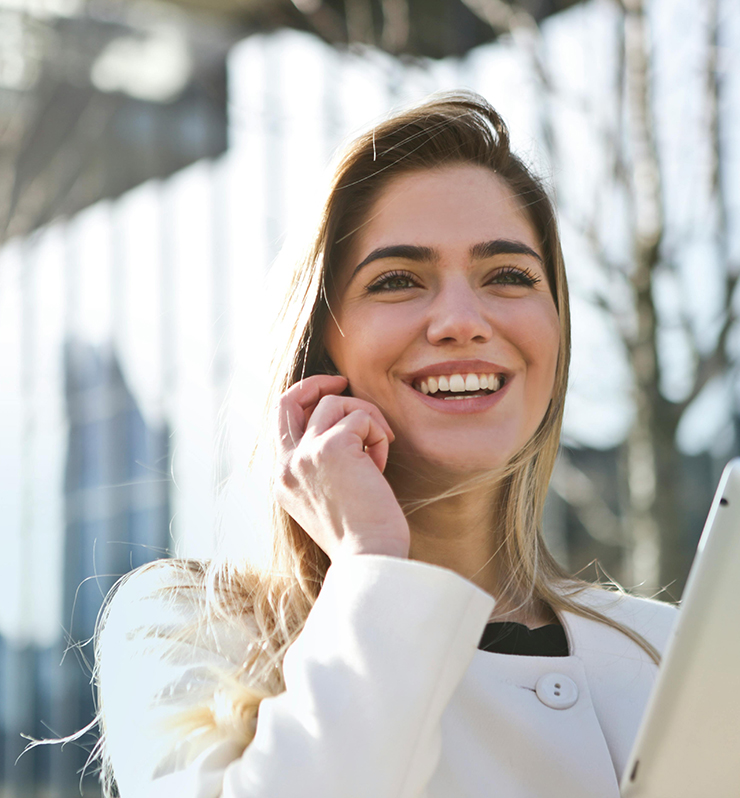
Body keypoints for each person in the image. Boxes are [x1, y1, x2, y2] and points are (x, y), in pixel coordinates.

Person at [93, 92, 677, 798]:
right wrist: (371, 564)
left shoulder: (667, 651)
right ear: (317, 349)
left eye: (509, 276)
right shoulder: (187, 630)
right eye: (398, 280)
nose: (463, 321)